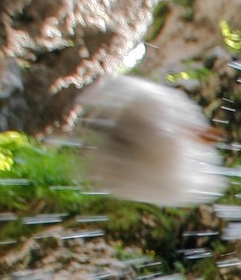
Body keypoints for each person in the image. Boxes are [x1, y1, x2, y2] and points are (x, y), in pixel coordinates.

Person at [75, 76, 225, 207]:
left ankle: (83, 117)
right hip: (136, 137)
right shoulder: (184, 134)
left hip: (137, 147)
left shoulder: (190, 160)